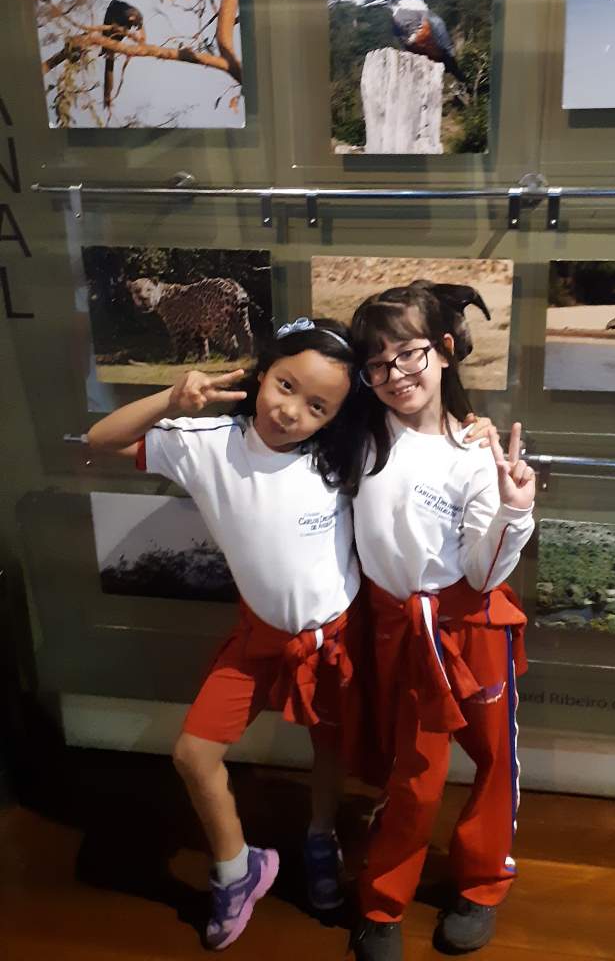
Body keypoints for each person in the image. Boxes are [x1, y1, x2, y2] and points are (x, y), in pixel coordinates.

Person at [87, 317, 370, 951]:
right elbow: (100, 439)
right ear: (264, 371)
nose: (291, 411)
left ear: (334, 417)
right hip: (258, 639)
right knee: (193, 753)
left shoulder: (341, 455)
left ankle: (321, 837)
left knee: (329, 745)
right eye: (286, 385)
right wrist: (170, 398)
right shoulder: (206, 442)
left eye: (317, 406)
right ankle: (238, 867)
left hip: (334, 638)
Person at [346, 280, 536, 961]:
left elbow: (483, 574)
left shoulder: (477, 452)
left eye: (409, 354)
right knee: (415, 773)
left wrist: (514, 508)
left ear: (445, 350)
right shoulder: (358, 438)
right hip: (401, 630)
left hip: (472, 627)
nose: (395, 374)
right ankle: (381, 902)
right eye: (377, 363)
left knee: (493, 760)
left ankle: (483, 884)